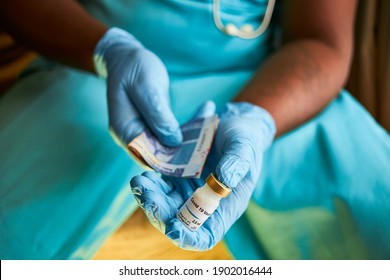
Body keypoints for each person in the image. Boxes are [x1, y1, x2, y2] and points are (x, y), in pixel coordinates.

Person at [0, 0, 389, 259]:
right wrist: (106, 48)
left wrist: (255, 118)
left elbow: (321, 40)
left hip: (267, 87)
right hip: (91, 73)